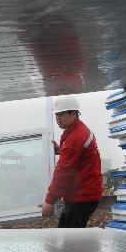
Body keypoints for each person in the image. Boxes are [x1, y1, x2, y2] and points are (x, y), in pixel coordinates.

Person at [42, 95, 103, 228]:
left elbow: (63, 171)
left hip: (82, 197)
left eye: (62, 114)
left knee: (69, 239)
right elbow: (76, 157)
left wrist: (50, 200)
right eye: (56, 114)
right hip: (83, 194)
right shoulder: (76, 131)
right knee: (67, 233)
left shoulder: (76, 136)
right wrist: (61, 150)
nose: (58, 118)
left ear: (74, 114)